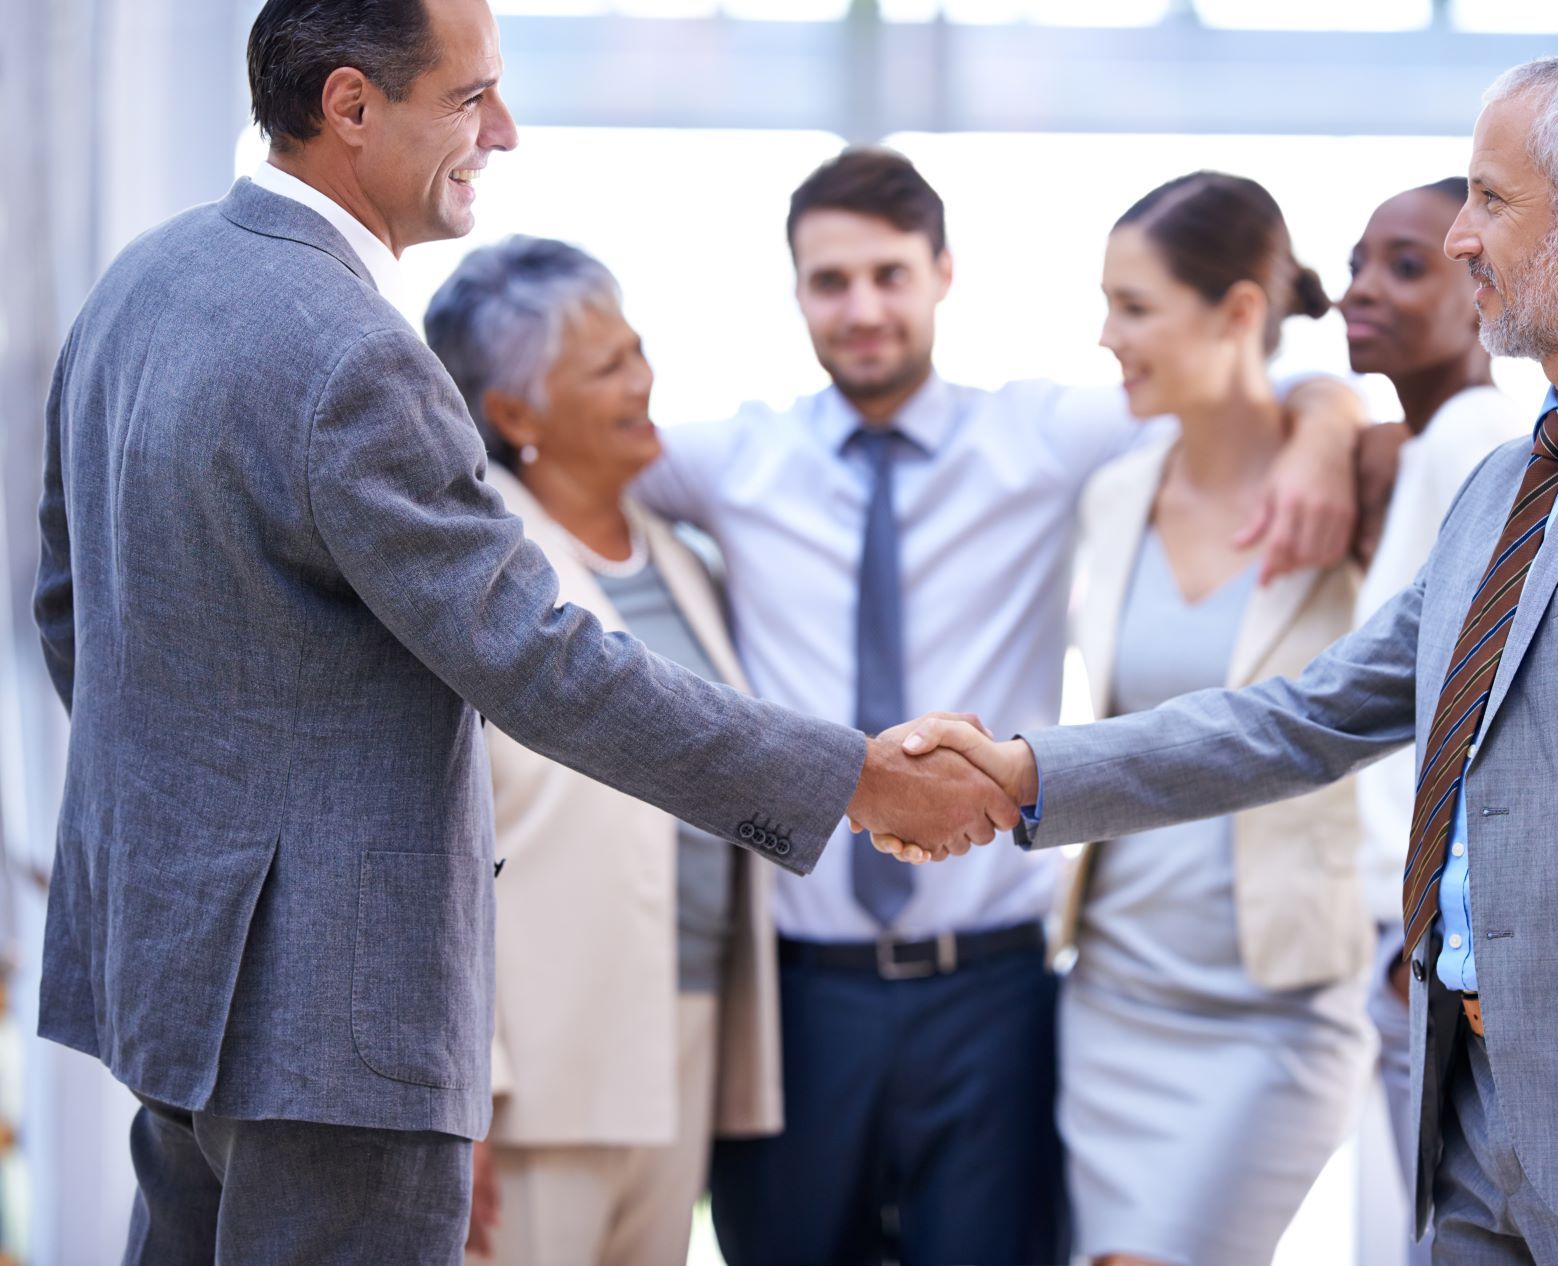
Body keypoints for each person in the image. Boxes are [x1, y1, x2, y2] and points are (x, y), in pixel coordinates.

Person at [31, 3, 1009, 1261]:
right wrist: (855, 779)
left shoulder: (142, 282)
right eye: (470, 97)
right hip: (337, 1017)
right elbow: (543, 662)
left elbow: (79, 612)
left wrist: (211, 837)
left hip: (180, 981)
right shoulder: (357, 356)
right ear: (349, 107)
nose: (503, 130)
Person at [883, 48, 1558, 1265]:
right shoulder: (1500, 488)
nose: (1464, 237)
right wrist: (1025, 770)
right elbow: (1306, 716)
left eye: (1490, 199)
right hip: (1465, 1110)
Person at [632, 147, 1368, 1266]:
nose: (863, 308)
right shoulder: (737, 459)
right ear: (795, 294)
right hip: (796, 998)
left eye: (889, 274)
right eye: (830, 282)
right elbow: (553, 450)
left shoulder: (1043, 440)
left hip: (997, 990)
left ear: (942, 273)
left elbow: (1237, 377)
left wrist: (1325, 427)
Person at [420, 236, 783, 1266]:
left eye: (638, 351)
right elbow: (426, 841)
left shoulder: (681, 559)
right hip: (535, 1064)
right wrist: (468, 1088)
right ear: (518, 418)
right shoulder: (474, 574)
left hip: (684, 1027)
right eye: (605, 368)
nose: (644, 383)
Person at [1053, 171, 1376, 1266]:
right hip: (1113, 993)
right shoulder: (1113, 496)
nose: (1107, 337)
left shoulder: (1354, 489)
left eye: (1134, 307)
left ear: (1242, 312)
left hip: (1275, 1009)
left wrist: (1332, 422)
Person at [1337, 176, 1528, 1263]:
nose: (1364, 289)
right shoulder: (1423, 450)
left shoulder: (1479, 445)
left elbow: (1493, 719)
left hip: (1443, 959)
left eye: (1406, 266)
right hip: (1407, 946)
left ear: (1480, 292)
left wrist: (1448, 939)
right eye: (1358, 262)